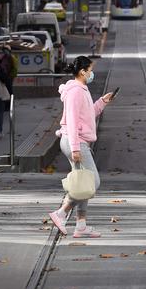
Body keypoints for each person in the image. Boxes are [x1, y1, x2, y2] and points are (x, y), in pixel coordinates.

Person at [48, 56, 113, 238]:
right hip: (74, 141)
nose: (92, 73)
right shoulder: (76, 91)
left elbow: (87, 114)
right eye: (90, 70)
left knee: (83, 181)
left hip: (74, 140)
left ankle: (81, 225)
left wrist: (102, 102)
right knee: (93, 181)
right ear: (83, 71)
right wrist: (76, 148)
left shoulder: (81, 89)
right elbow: (73, 120)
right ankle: (61, 213)